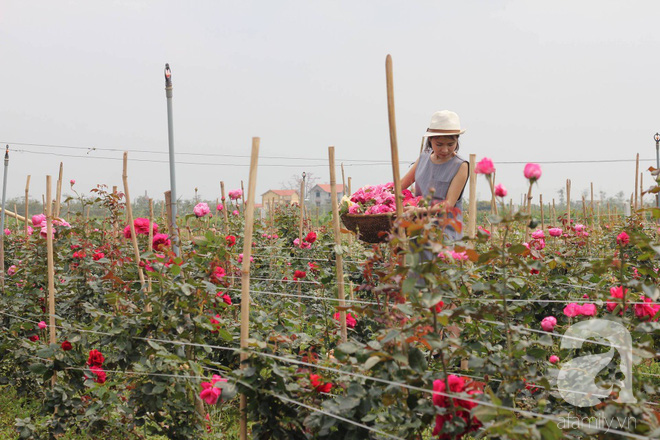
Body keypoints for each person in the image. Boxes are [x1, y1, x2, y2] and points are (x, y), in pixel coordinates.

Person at [400, 110, 469, 242]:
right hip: (418, 230)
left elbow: (448, 204)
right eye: (439, 144)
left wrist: (418, 210)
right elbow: (402, 184)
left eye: (450, 144)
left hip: (444, 233)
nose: (445, 150)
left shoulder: (460, 165)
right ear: (430, 140)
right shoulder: (423, 158)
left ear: (457, 141)